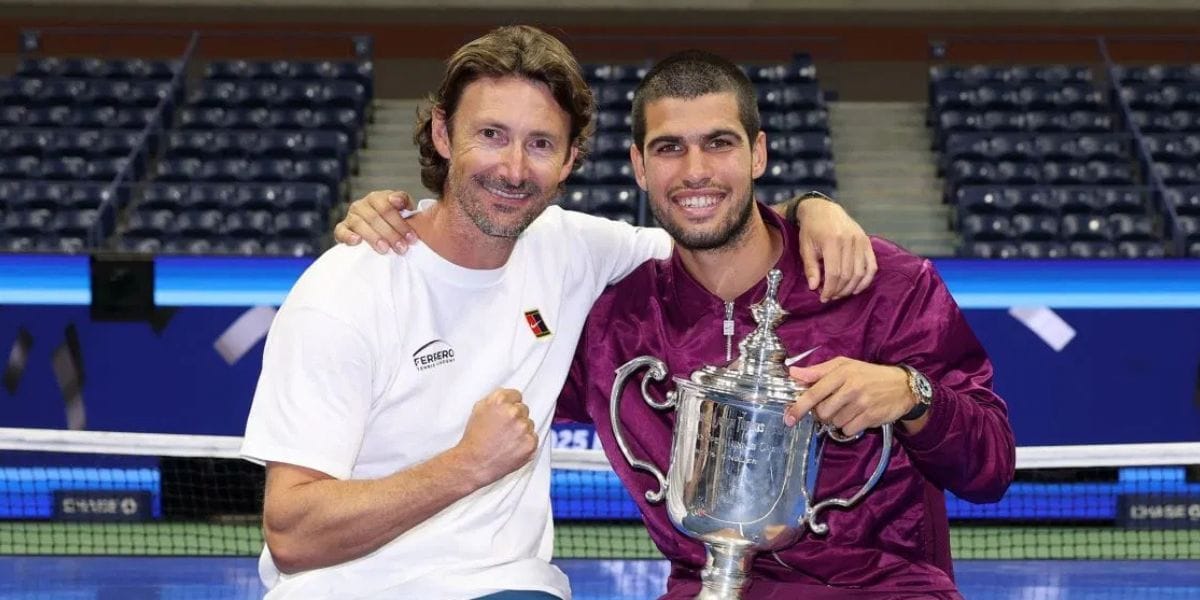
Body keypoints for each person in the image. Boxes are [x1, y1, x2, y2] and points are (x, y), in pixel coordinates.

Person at [338, 50, 1017, 599]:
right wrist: (415, 221)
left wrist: (911, 395)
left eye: (718, 144)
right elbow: (474, 317)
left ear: (757, 154)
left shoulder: (881, 283)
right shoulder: (609, 319)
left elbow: (990, 467)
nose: (695, 172)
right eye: (669, 149)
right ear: (638, 167)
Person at [242, 26, 875, 600]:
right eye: (491, 135)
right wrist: (466, 466)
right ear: (443, 134)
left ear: (570, 160)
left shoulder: (572, 249)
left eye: (540, 143)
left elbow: (715, 228)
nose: (513, 169)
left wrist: (812, 207)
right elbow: (294, 536)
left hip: (506, 586)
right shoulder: (346, 290)